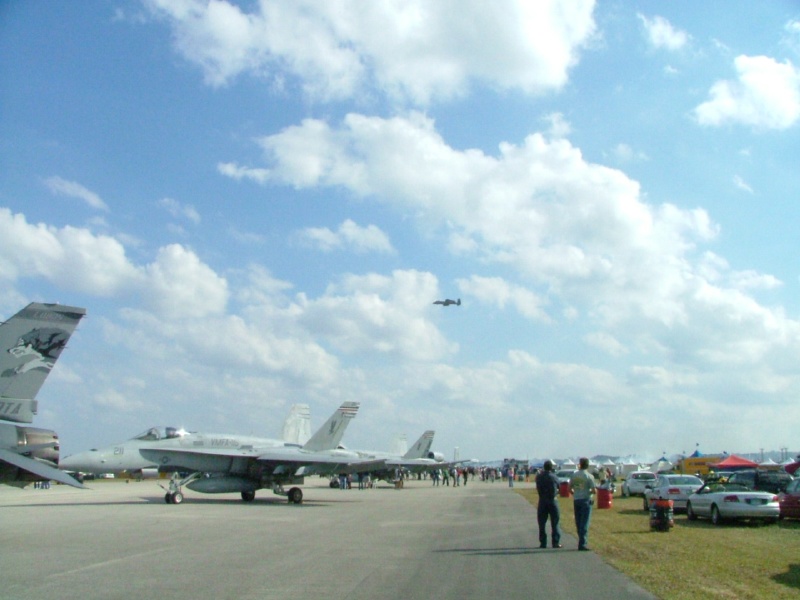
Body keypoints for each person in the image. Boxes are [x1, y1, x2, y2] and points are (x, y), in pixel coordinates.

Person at [570, 457, 597, 551]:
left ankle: (580, 538)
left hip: (576, 499)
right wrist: (590, 492)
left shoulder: (574, 475)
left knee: (578, 521)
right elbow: (594, 490)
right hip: (585, 499)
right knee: (585, 522)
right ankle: (582, 543)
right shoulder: (589, 476)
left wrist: (575, 493)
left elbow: (570, 488)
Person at [535, 460, 562, 548]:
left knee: (542, 523)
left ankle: (543, 542)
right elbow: (559, 487)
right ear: (551, 468)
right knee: (555, 522)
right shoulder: (554, 477)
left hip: (542, 500)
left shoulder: (539, 477)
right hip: (552, 500)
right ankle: (555, 541)